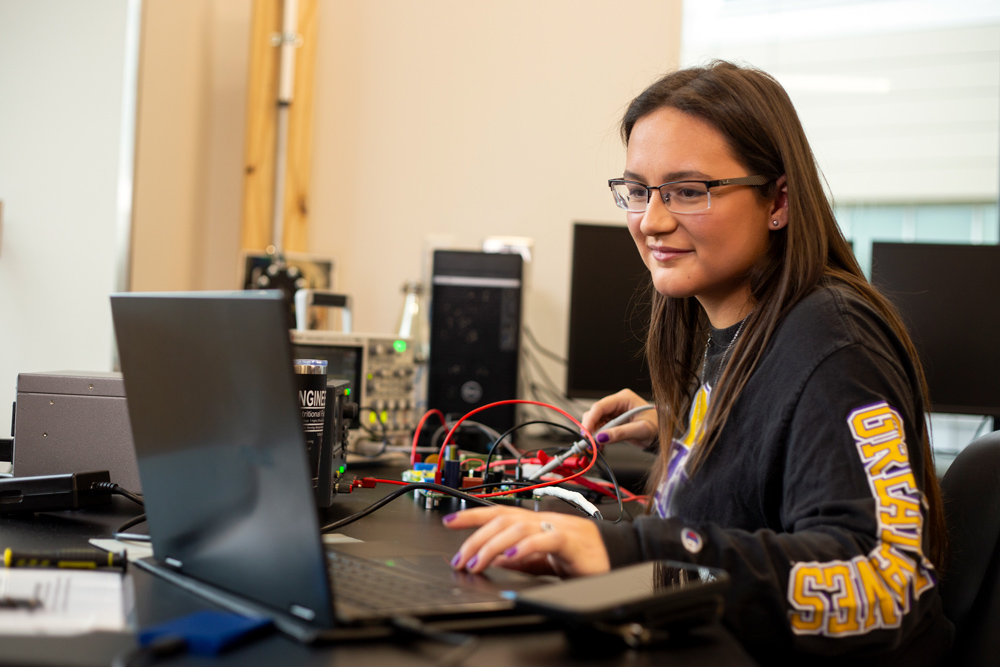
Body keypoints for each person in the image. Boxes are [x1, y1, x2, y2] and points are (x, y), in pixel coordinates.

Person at [443, 61, 953, 663]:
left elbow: (883, 580)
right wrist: (686, 428)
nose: (652, 221)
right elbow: (771, 459)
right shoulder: (744, 326)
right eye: (639, 190)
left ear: (778, 201)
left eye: (689, 191)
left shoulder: (833, 342)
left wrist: (631, 556)